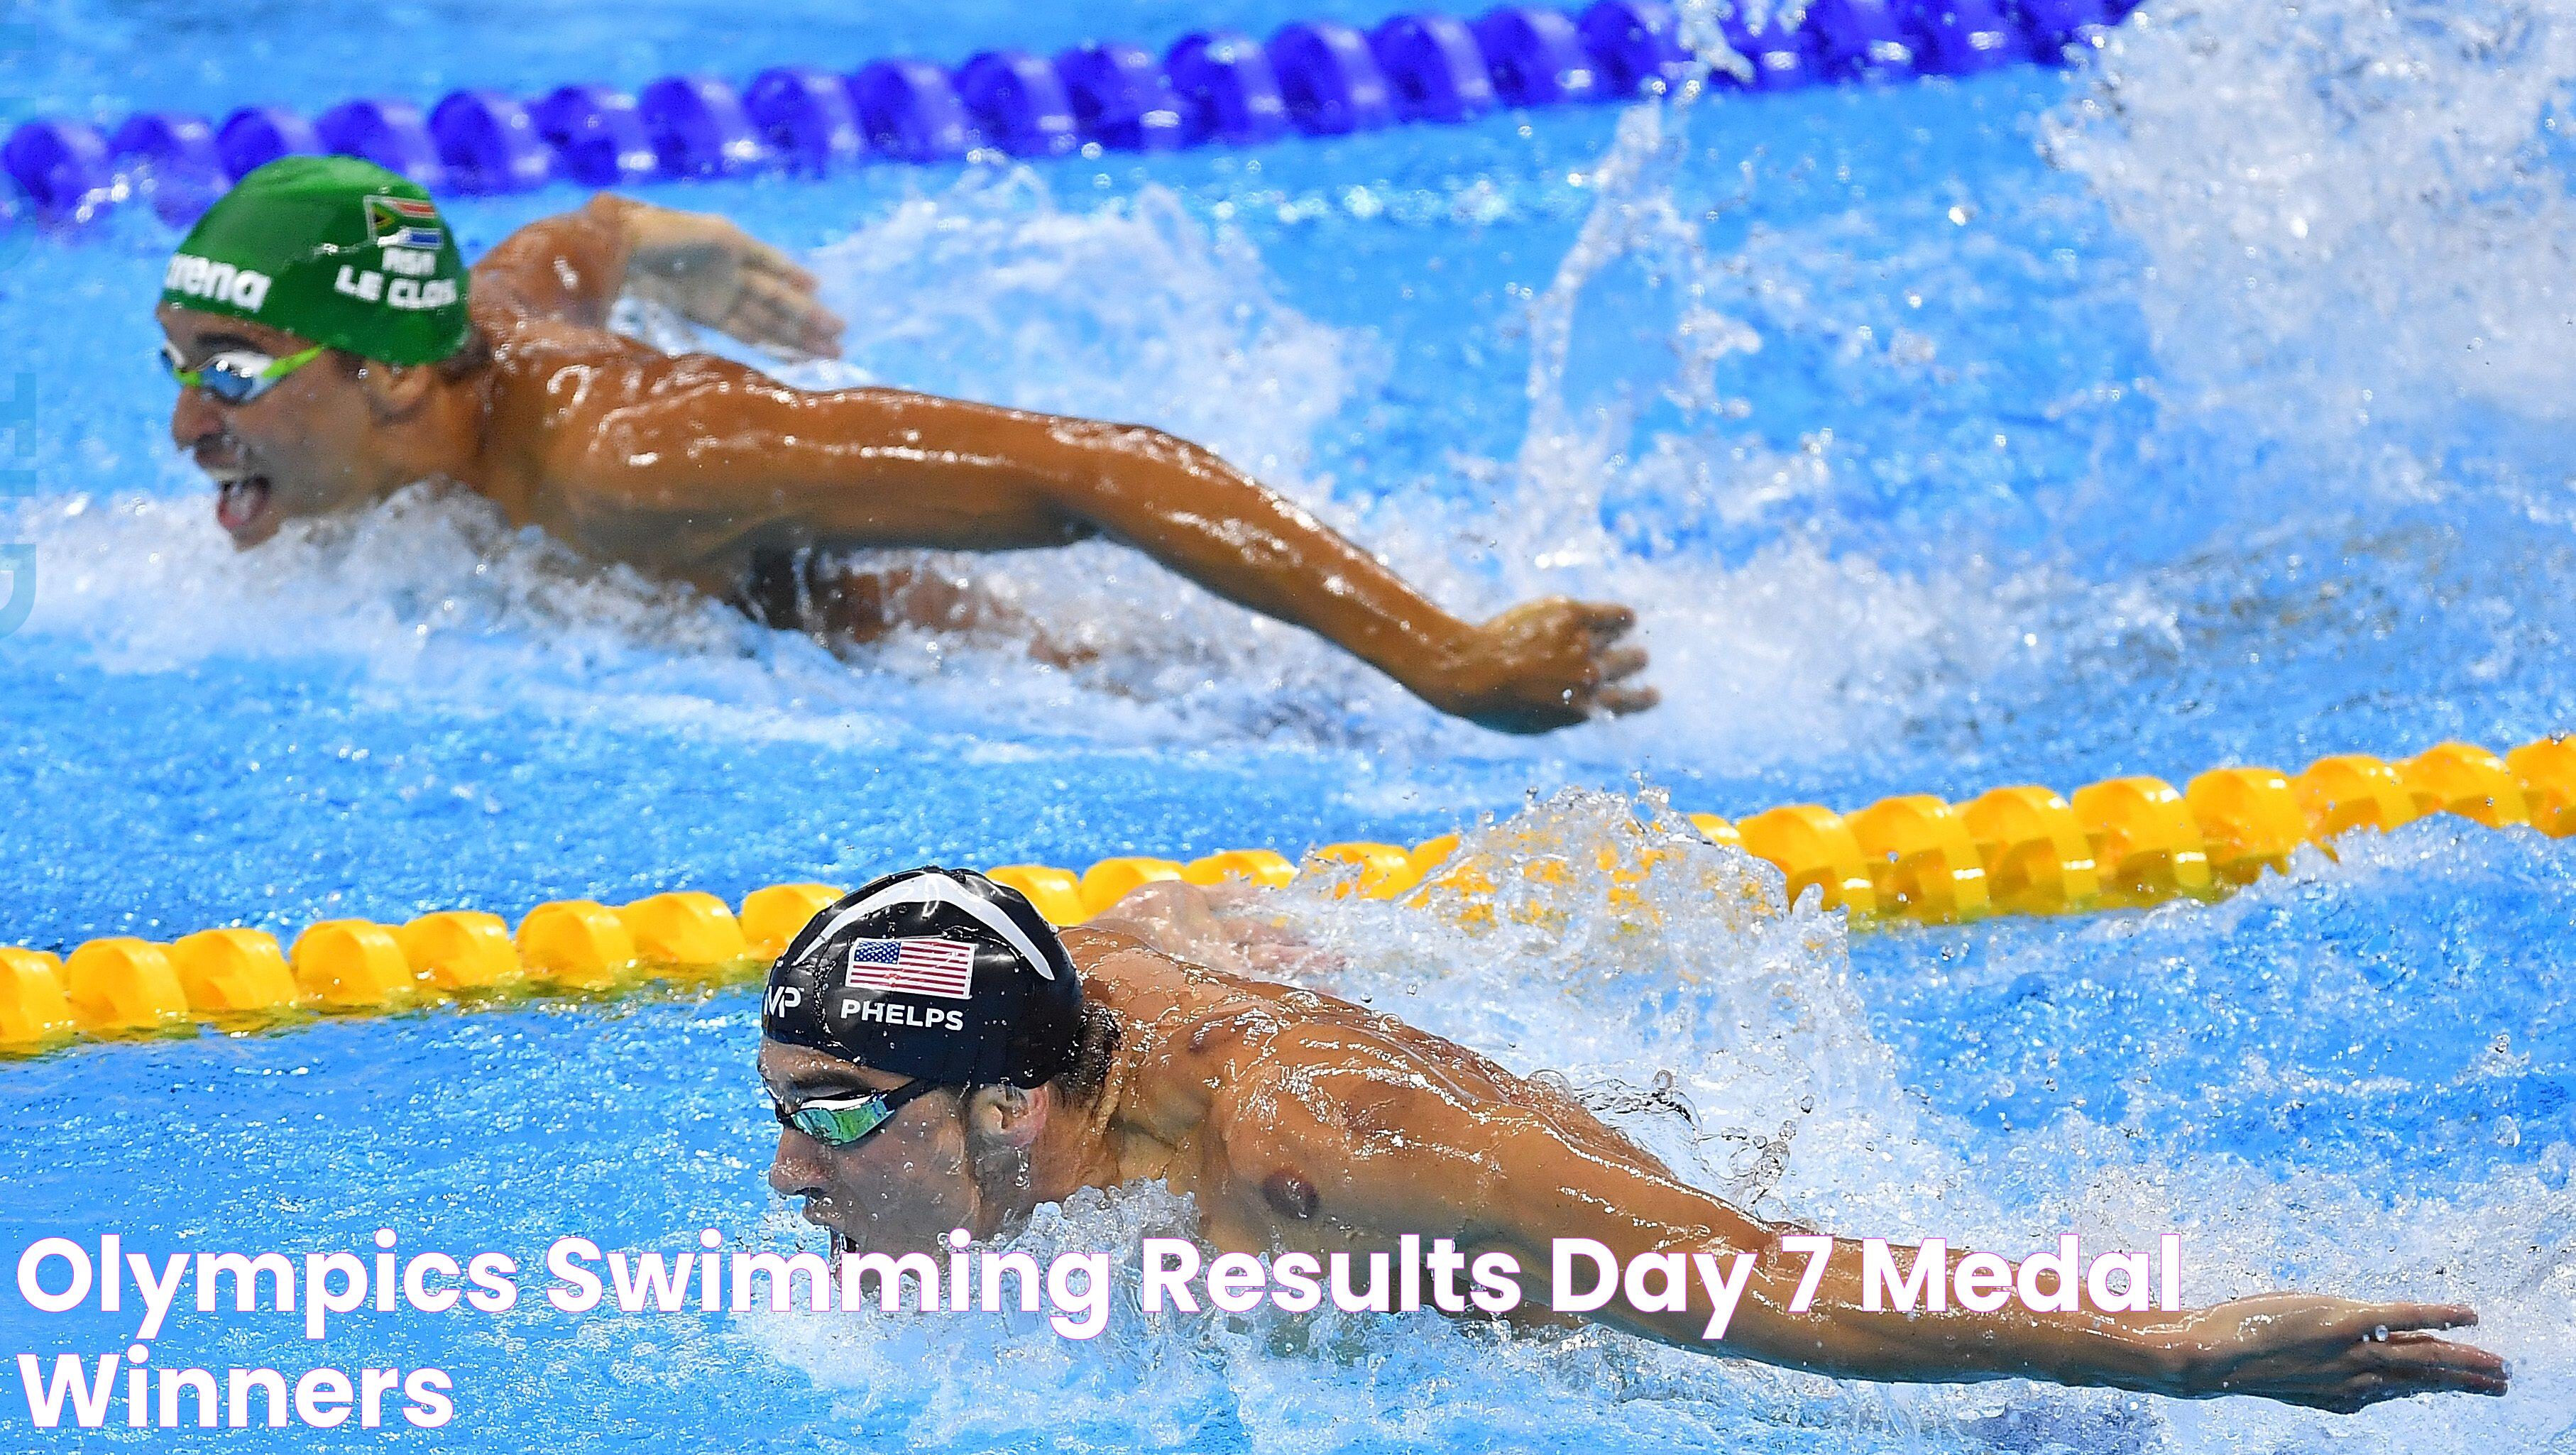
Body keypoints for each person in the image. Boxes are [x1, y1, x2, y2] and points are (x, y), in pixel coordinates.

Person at [759, 867, 2511, 1415]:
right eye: (780, 1109)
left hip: (1742, 1360)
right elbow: (1148, 922)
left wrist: (2174, 1351)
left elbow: (1767, 1286)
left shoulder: (1307, 1150)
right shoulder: (1067, 1005)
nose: (788, 1175)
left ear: (1006, 1101)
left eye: (831, 1115)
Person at [152, 156, 1653, 732]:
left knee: (1259, 710)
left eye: (227, 373)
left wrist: (1446, 656)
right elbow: (576, 238)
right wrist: (692, 255)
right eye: (176, 371)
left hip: (995, 664)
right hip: (754, 619)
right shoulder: (460, 336)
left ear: (389, 377)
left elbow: (1109, 465)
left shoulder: (641, 455)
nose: (185, 426)